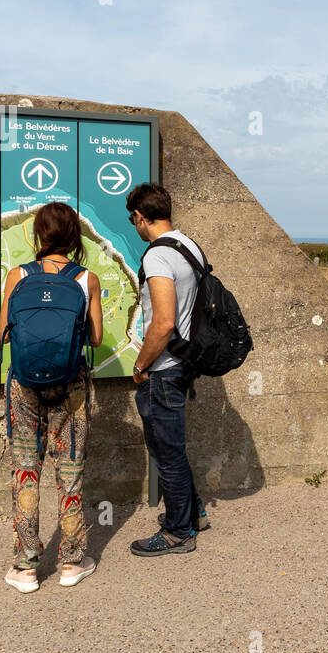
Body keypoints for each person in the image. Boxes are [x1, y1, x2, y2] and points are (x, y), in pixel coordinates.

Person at [0, 202, 102, 593]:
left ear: (38, 235)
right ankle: (72, 563)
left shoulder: (17, 276)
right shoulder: (86, 279)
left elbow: (3, 333)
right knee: (70, 471)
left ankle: (26, 568)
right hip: (71, 385)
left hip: (24, 385)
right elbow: (94, 339)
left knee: (26, 469)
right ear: (75, 235)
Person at [126, 183, 210, 557]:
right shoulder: (189, 246)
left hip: (163, 369)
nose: (135, 226)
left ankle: (178, 532)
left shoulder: (156, 257)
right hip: (184, 363)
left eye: (133, 220)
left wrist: (142, 364)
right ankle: (195, 513)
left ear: (141, 217)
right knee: (174, 448)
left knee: (166, 453)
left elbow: (162, 323)